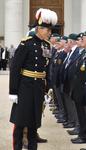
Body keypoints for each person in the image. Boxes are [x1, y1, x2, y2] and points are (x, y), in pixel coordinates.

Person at [9, 8, 58, 150]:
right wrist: (13, 91)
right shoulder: (26, 44)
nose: (49, 33)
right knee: (19, 123)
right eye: (47, 30)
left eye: (50, 31)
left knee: (33, 124)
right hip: (24, 88)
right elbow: (15, 68)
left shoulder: (47, 46)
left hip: (37, 89)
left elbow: (48, 69)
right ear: (39, 29)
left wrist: (48, 89)